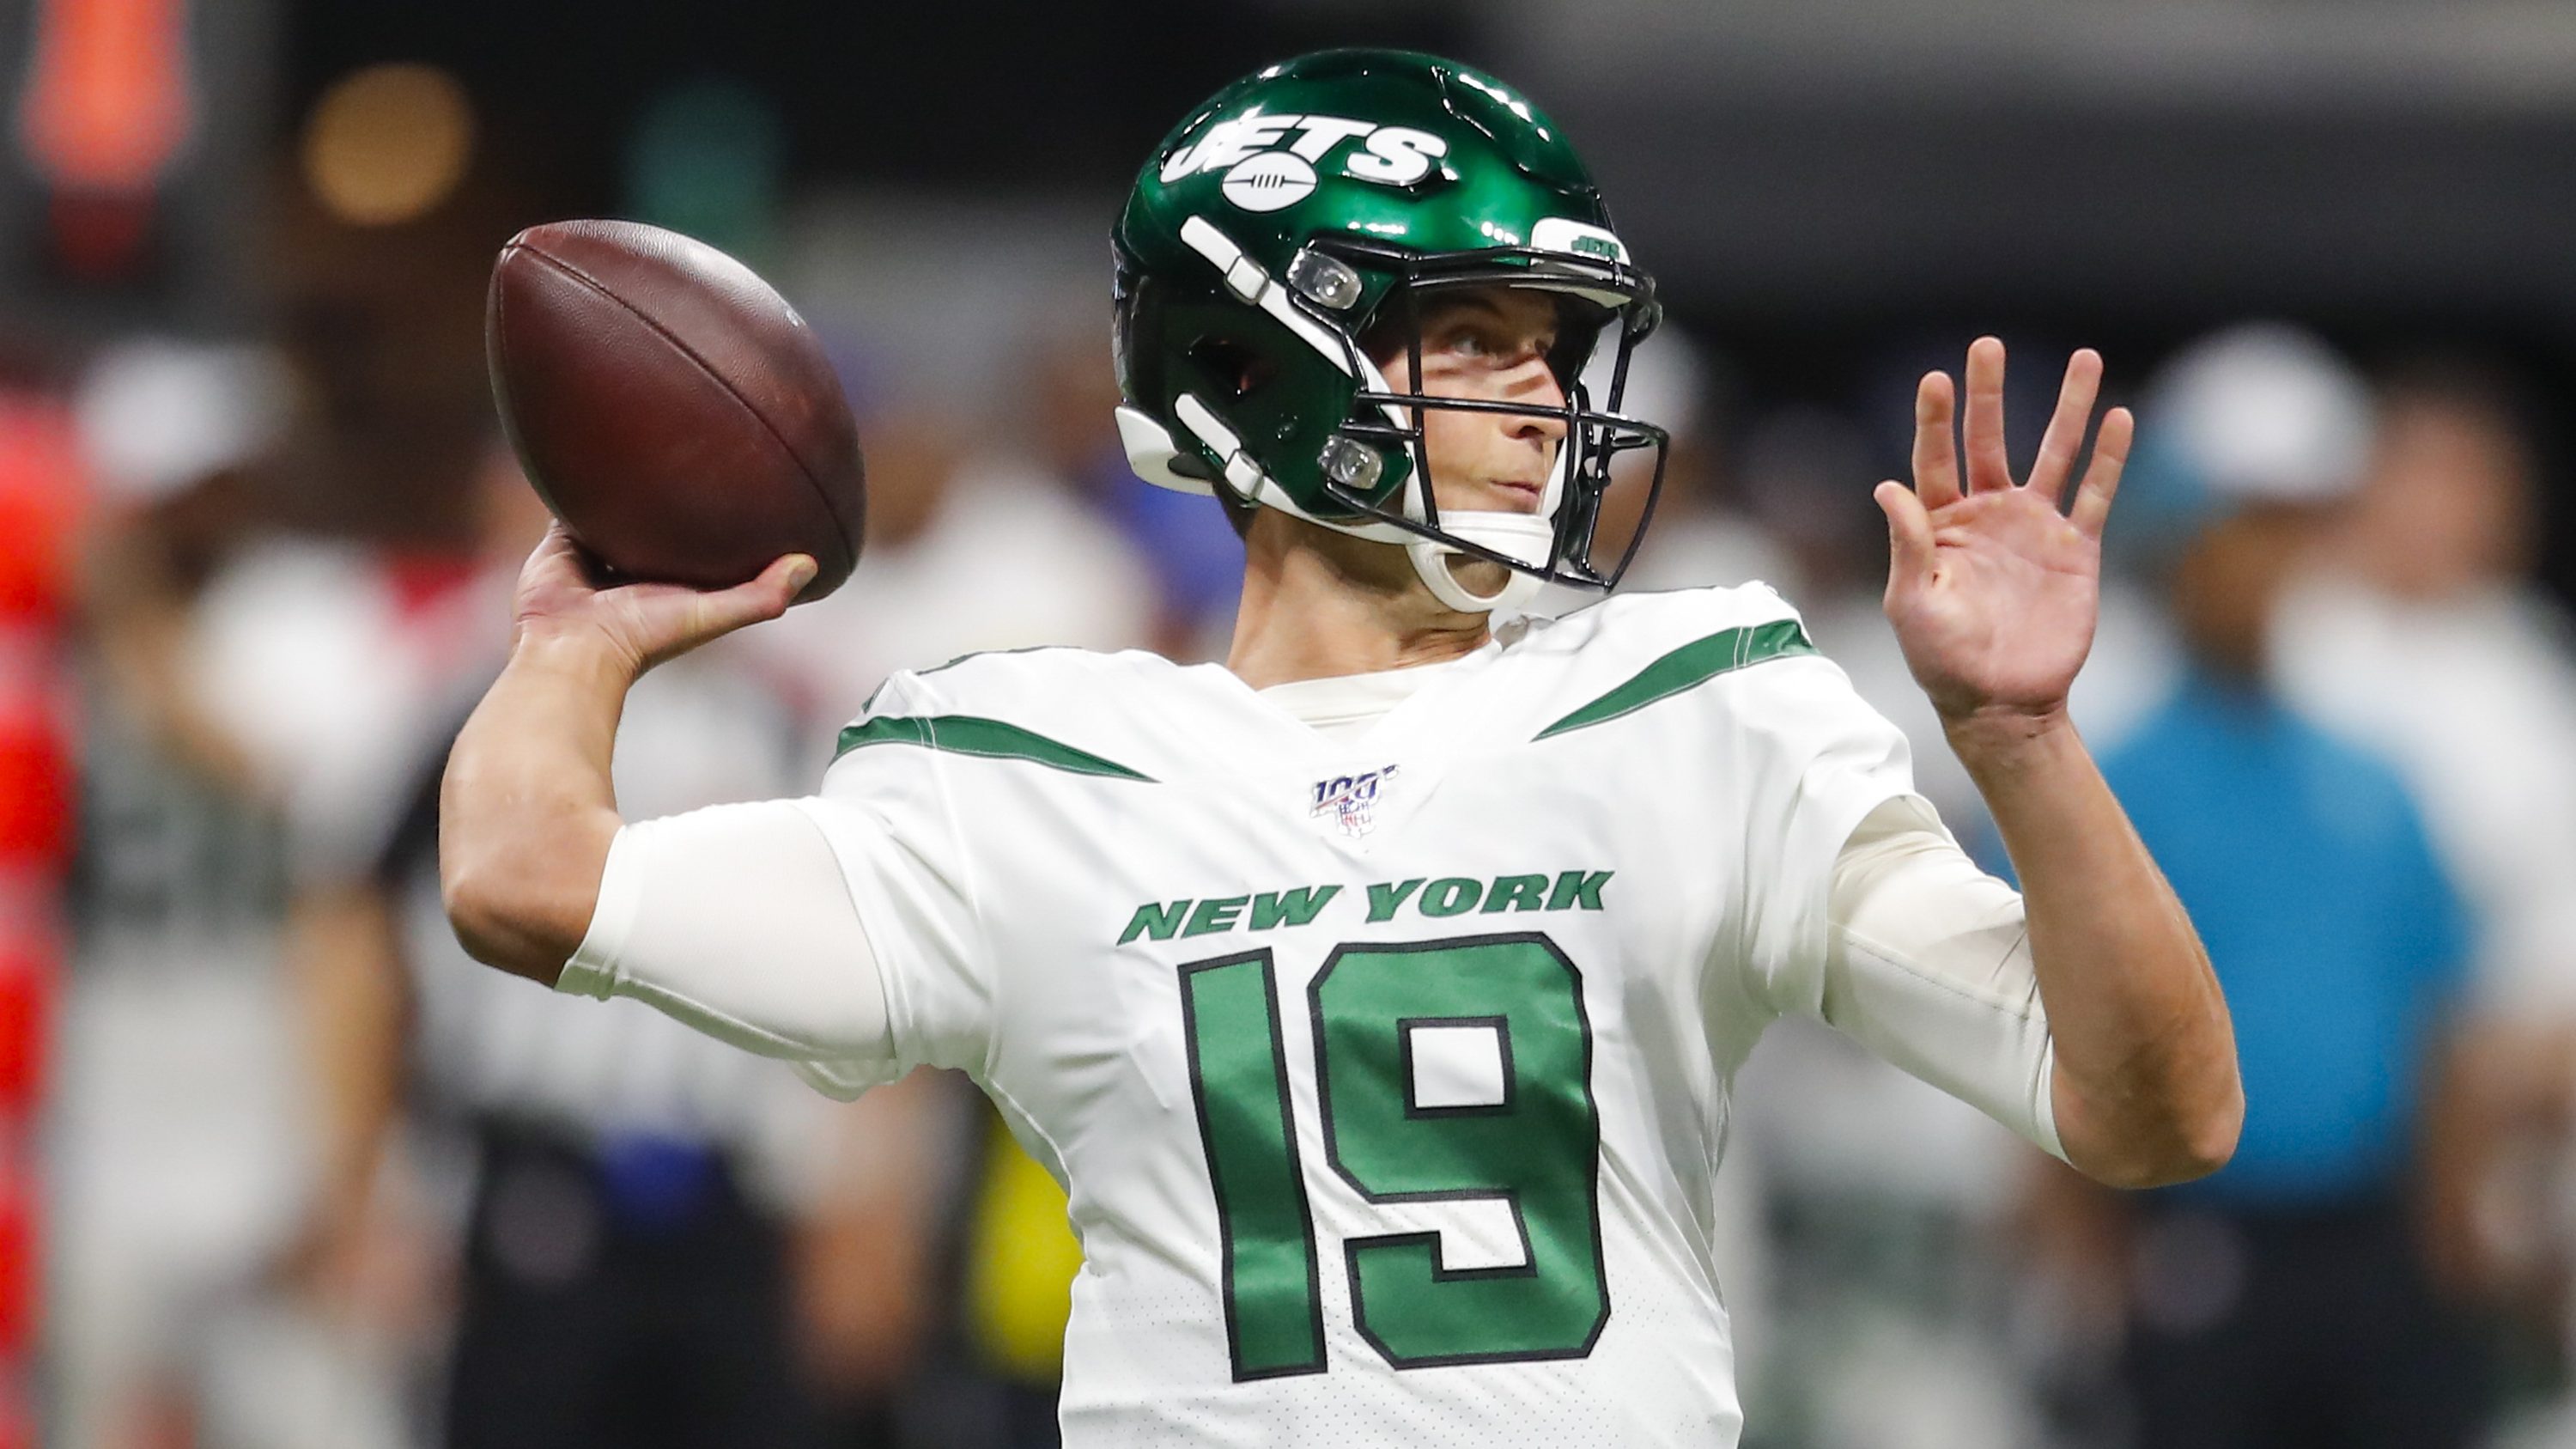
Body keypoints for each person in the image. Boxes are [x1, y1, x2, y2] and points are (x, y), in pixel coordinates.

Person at [437, 50, 2239, 1446]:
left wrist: (2021, 742)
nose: (1546, 394)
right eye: (1473, 334)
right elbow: (526, 879)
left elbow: (2157, 1111)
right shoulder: (1029, 768)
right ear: (1263, 362)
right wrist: (574, 643)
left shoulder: (1700, 706)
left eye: (1554, 345)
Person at [2035, 326, 2486, 1449]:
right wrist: (2079, 1265)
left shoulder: (2372, 778)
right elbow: (2041, 1027)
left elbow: (2439, 1019)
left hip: (2368, 1243)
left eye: (2284, 533)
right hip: (2191, 1240)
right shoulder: (2106, 780)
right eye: (2235, 532)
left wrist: (2451, 1243)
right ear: (2176, 544)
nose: (2257, 565)